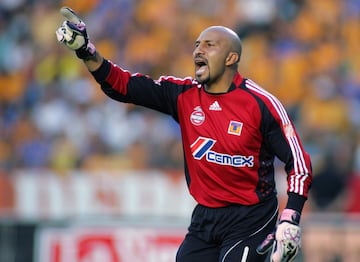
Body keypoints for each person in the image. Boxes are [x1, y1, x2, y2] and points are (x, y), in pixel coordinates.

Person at [56, 7, 312, 262]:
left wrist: (291, 216)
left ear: (231, 58)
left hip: (251, 218)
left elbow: (298, 162)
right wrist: (85, 50)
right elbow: (123, 86)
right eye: (197, 45)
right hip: (205, 218)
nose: (198, 51)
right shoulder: (183, 95)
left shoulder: (261, 103)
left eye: (209, 45)